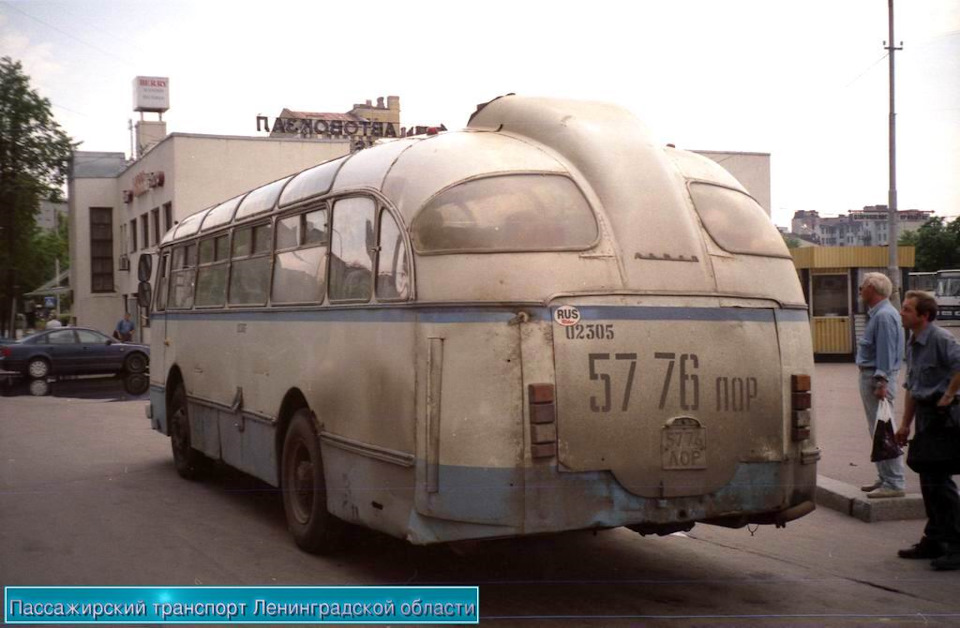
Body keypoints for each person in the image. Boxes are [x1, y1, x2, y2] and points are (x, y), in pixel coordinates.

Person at [894, 290, 960, 570]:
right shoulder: (912, 341)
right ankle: (934, 539)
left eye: (907, 309)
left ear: (924, 316)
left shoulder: (941, 339)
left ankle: (956, 545)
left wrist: (948, 395)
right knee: (928, 480)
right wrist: (905, 424)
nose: (902, 313)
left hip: (943, 417)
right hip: (924, 415)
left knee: (940, 482)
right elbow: (912, 387)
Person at [855, 272, 906, 498]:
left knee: (884, 430)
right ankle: (885, 478)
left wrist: (881, 381)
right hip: (875, 378)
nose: (860, 290)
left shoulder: (884, 316)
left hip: (877, 380)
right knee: (879, 429)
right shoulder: (881, 314)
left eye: (863, 286)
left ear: (872, 289)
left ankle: (894, 483)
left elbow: (885, 352)